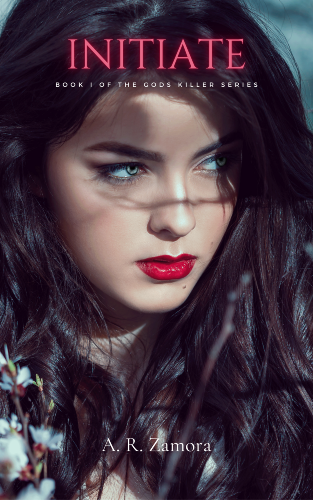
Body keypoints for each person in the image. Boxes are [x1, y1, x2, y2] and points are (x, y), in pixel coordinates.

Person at [0, 0, 313, 498]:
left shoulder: (293, 390)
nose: (180, 219)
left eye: (216, 162)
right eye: (125, 169)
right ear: (34, 169)